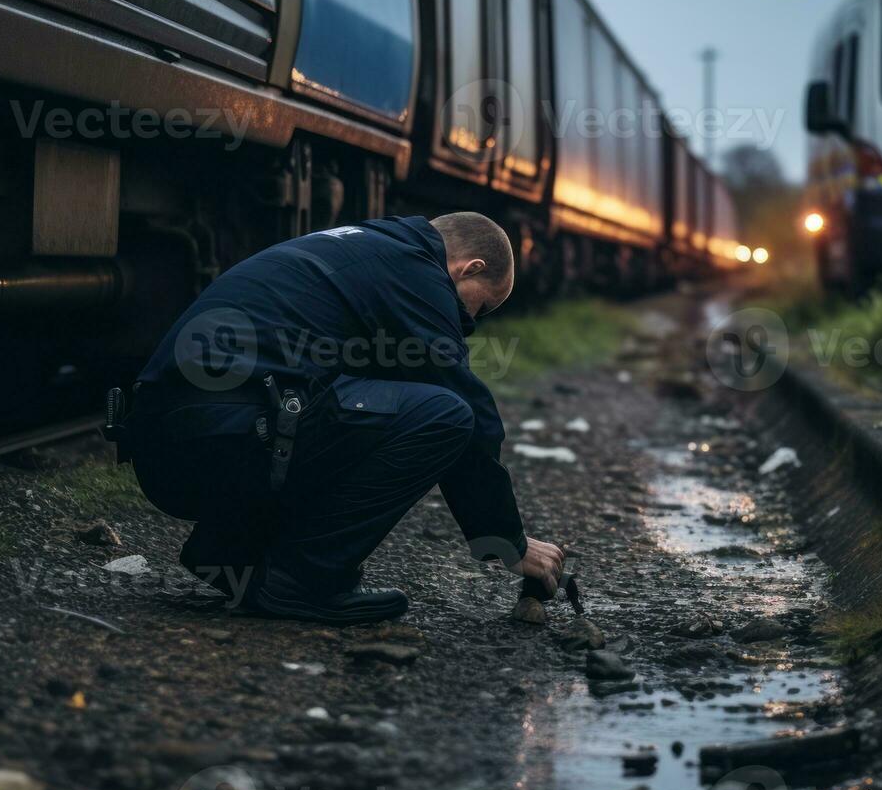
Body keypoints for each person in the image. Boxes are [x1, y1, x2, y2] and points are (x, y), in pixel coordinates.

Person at [126, 212, 566, 626]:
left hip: (176, 442)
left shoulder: (369, 248)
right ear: (470, 268)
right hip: (218, 441)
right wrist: (507, 541)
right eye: (480, 309)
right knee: (447, 415)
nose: (469, 322)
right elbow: (467, 405)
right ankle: (301, 581)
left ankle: (232, 554)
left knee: (371, 406)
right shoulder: (417, 273)